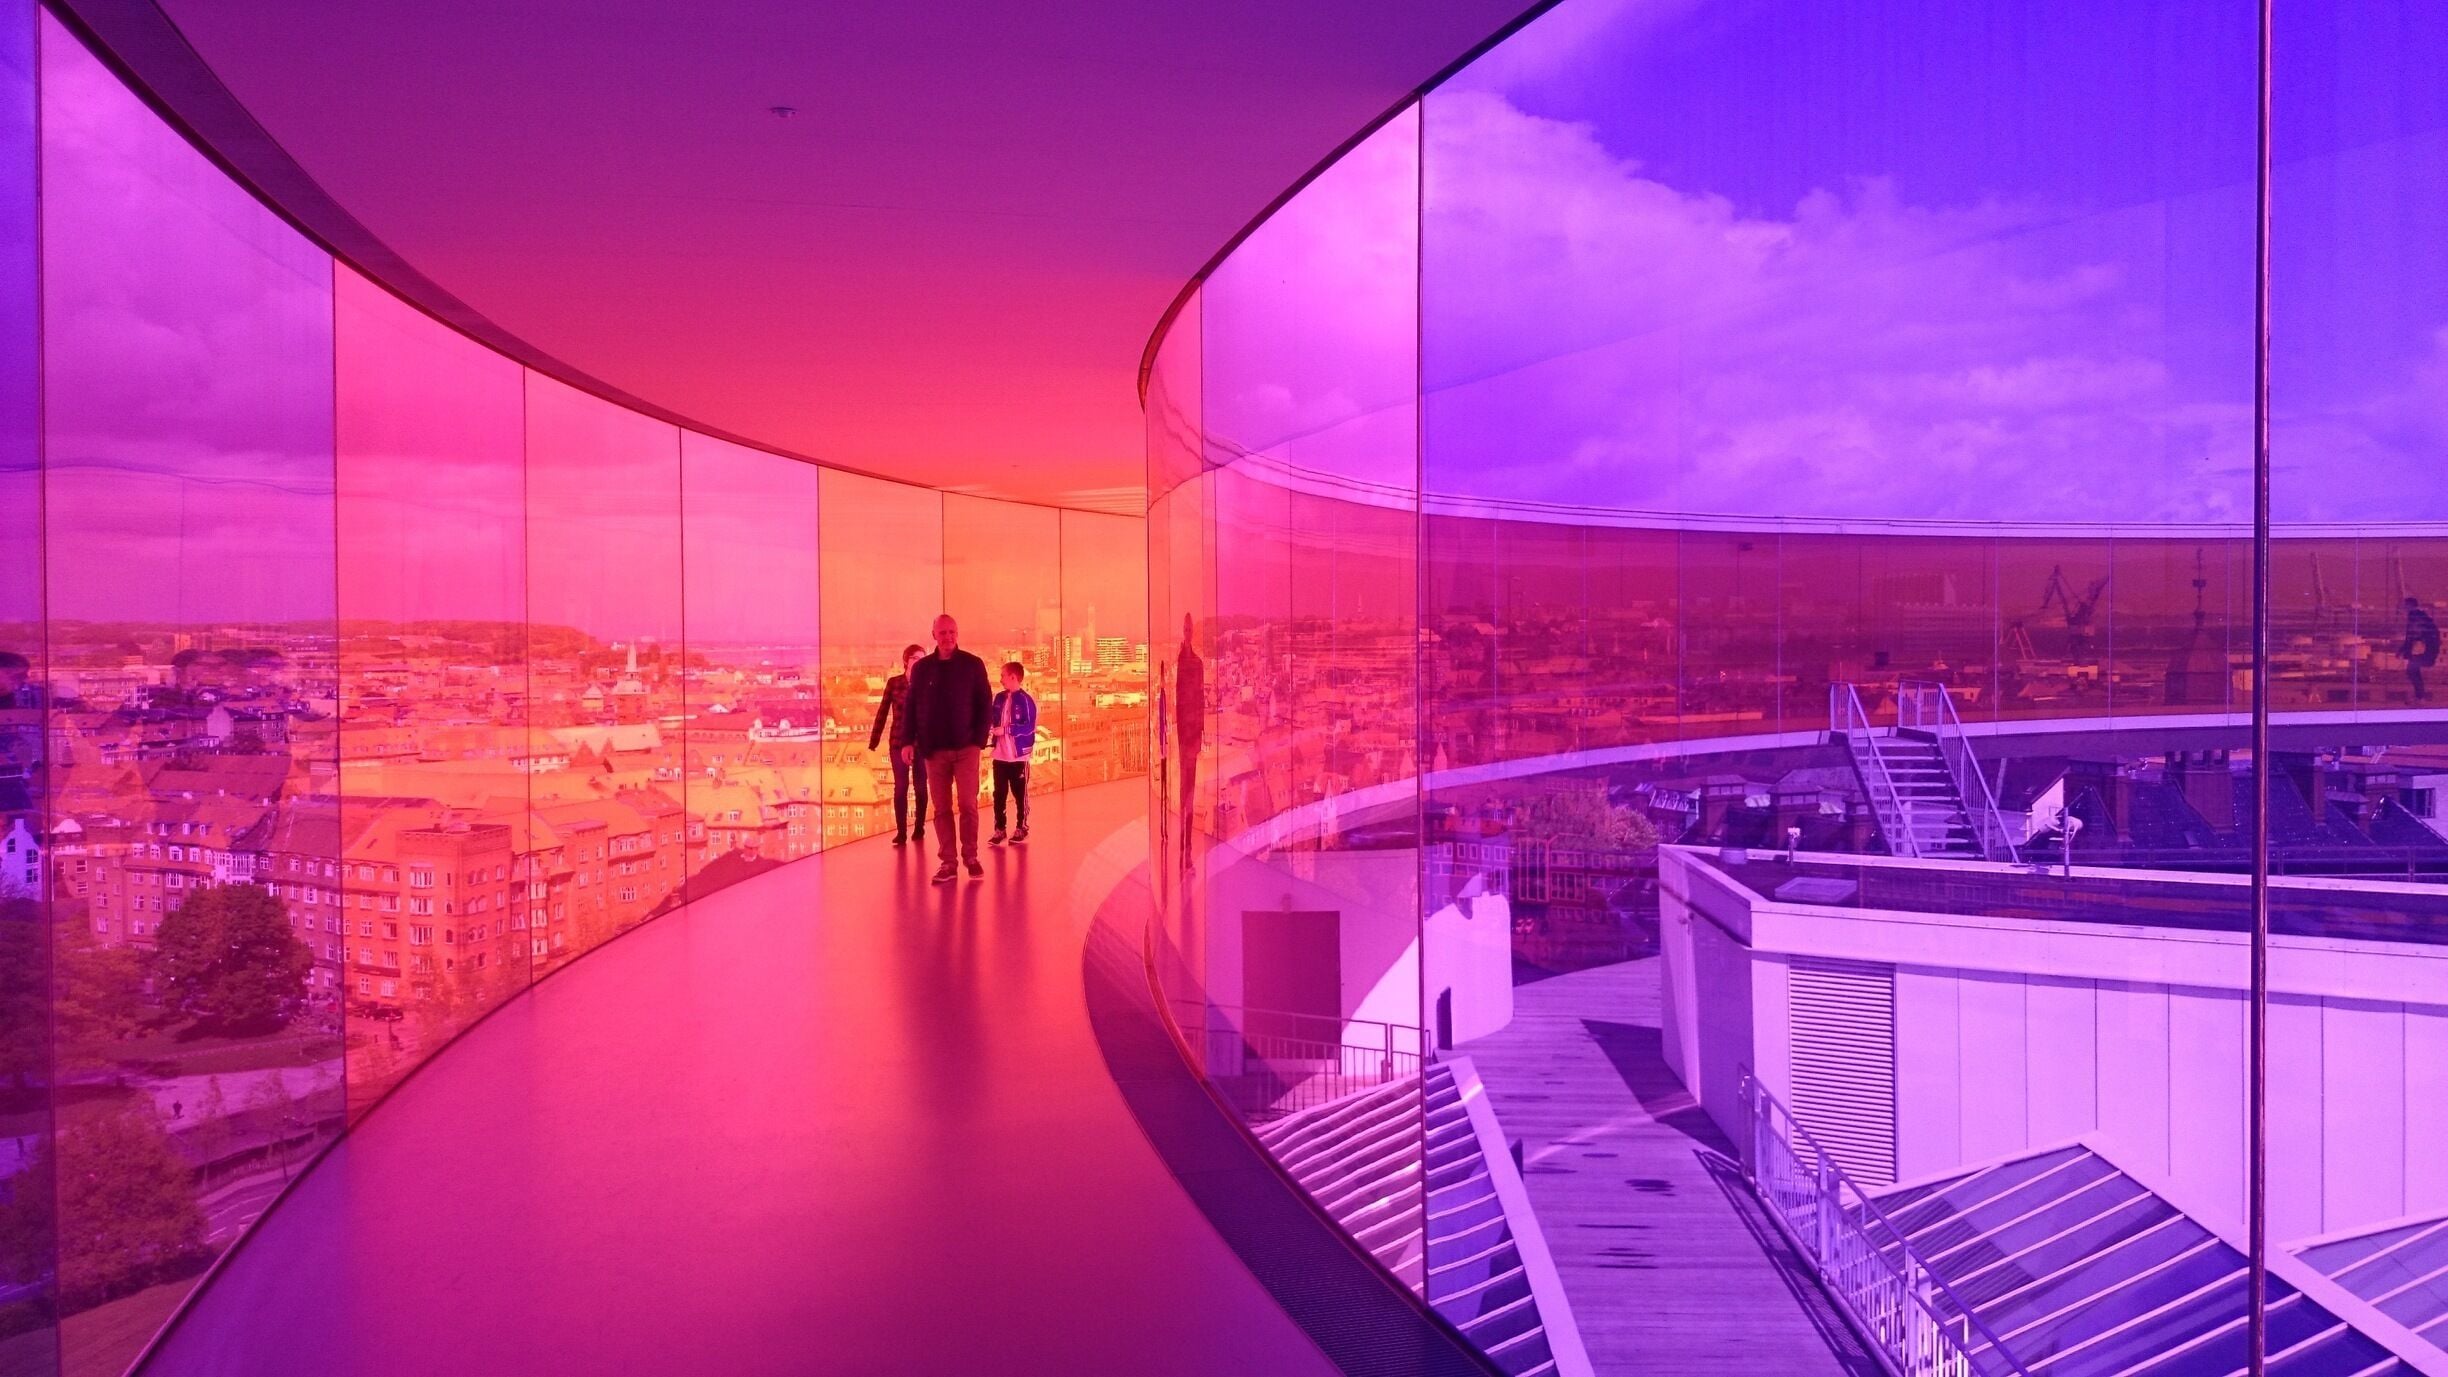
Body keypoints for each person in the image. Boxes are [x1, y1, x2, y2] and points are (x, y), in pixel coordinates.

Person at [906, 614, 992, 882]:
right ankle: (948, 863)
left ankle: (971, 856)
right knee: (941, 808)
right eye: (943, 632)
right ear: (934, 635)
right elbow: (911, 707)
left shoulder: (973, 665)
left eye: (952, 632)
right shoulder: (922, 670)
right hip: (934, 751)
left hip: (966, 748)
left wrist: (978, 741)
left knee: (968, 804)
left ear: (958, 633)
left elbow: (985, 703)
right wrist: (907, 741)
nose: (948, 637)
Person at [868, 643, 929, 845]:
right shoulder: (894, 683)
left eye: (922, 658)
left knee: (921, 787)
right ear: (905, 660)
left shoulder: (928, 683)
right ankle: (901, 832)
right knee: (900, 787)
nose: (918, 662)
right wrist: (874, 740)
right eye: (914, 658)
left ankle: (919, 827)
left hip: (922, 742)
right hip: (898, 741)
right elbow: (883, 711)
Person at [988, 662, 1038, 846]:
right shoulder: (999, 698)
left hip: (1018, 757)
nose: (1000, 679)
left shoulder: (1026, 700)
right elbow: (991, 718)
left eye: (1003, 675)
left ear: (1013, 677)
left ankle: (1021, 827)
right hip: (1000, 756)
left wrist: (1007, 730)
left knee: (1020, 794)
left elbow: (1029, 726)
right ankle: (999, 829)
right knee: (999, 794)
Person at [1174, 613, 1204, 870]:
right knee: (1184, 792)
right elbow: (1178, 701)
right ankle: (1184, 849)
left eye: (1189, 628)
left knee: (1189, 794)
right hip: (1184, 738)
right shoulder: (1182, 661)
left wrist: (1199, 736)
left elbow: (1200, 700)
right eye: (1185, 628)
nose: (1187, 631)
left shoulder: (1196, 663)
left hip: (1191, 738)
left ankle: (1188, 849)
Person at [2407, 597, 2441, 702]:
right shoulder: (2420, 617)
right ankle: (2419, 696)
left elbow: (2417, 633)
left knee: (2412, 669)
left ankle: (2420, 696)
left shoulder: (2417, 617)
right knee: (2412, 669)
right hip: (2426, 649)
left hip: (2426, 650)